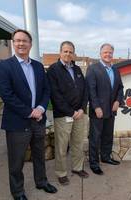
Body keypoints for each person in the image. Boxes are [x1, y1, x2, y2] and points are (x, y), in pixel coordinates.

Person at [0, 29, 57, 200]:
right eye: (17, 40)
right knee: (16, 161)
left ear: (31, 44)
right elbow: (7, 95)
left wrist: (41, 109)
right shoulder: (4, 66)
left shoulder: (38, 66)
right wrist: (30, 112)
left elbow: (46, 90)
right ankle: (18, 192)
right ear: (13, 43)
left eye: (24, 41)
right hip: (17, 122)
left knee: (39, 154)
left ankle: (42, 181)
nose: (21, 43)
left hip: (38, 120)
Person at [47, 41, 89, 185]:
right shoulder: (53, 70)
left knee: (78, 143)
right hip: (63, 115)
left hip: (79, 114)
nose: (68, 54)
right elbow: (55, 96)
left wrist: (82, 109)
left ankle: (77, 168)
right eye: (65, 51)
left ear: (74, 54)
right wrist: (71, 112)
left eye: (70, 52)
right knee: (62, 146)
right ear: (60, 52)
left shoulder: (77, 70)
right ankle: (61, 172)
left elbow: (85, 90)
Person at [86, 43, 124, 175]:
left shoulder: (115, 70)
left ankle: (106, 157)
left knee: (108, 136)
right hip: (98, 111)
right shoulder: (93, 69)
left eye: (110, 52)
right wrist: (96, 107)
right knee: (95, 138)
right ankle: (94, 163)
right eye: (105, 52)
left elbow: (120, 88)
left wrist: (118, 101)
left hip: (111, 110)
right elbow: (91, 90)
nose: (108, 55)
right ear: (100, 54)